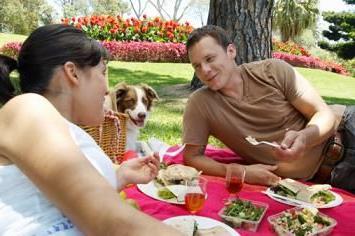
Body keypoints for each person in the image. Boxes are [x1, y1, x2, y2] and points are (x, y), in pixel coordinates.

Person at [0, 24, 183, 235]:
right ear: (72, 73)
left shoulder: (67, 131)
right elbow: (116, 224)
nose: (107, 89)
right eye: (103, 72)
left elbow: (67, 198)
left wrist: (119, 176)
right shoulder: (27, 109)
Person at [182, 25, 355, 193]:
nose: (204, 70)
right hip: (331, 177)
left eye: (210, 59)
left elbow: (324, 114)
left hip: (347, 130)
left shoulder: (272, 71)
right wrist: (240, 171)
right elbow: (192, 157)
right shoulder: (200, 104)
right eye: (197, 66)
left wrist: (304, 138)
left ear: (231, 51)